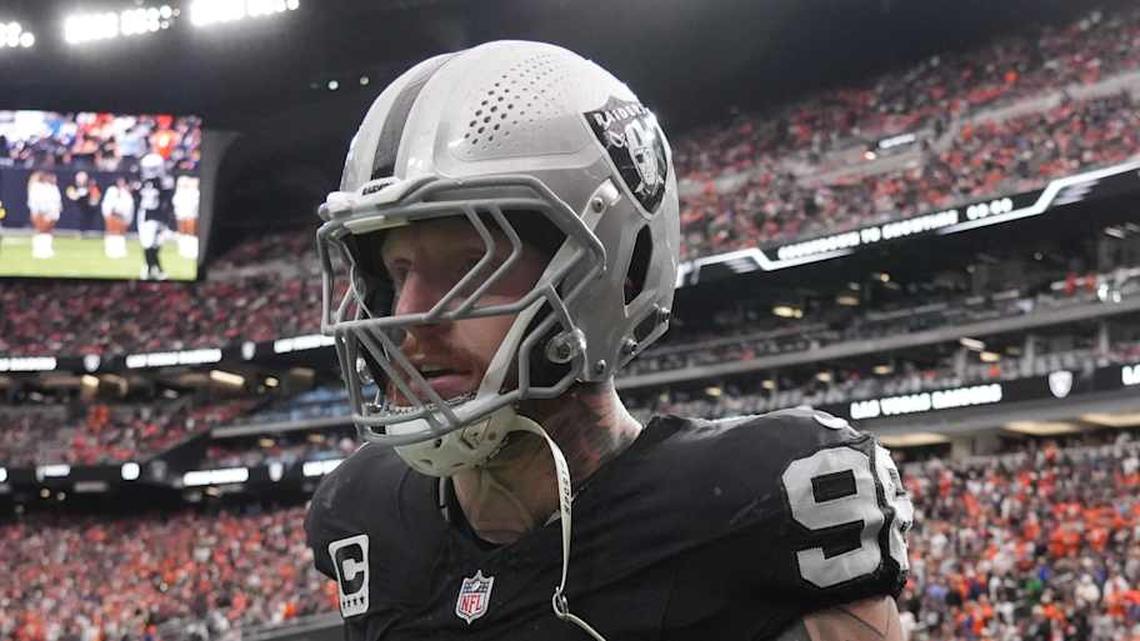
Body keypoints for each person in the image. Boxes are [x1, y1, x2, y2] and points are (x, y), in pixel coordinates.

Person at [305, 41, 913, 641]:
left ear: (609, 274)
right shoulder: (363, 511)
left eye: (471, 264)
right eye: (400, 273)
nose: (410, 315)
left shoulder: (764, 506)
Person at [135, 152, 174, 279]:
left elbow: (167, 200)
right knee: (149, 243)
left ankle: (150, 267)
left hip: (159, 215)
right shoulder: (143, 181)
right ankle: (155, 269)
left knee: (156, 244)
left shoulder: (163, 182)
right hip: (148, 215)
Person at [28, 171, 63, 259]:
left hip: (51, 212)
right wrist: (41, 213)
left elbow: (57, 201)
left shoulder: (53, 187)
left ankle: (47, 249)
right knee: (41, 231)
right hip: (41, 212)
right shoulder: (37, 187)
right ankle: (38, 250)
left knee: (48, 231)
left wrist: (56, 210)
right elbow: (35, 202)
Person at [101, 175, 135, 259]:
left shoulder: (126, 192)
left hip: (123, 216)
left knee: (121, 234)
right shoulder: (112, 190)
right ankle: (111, 251)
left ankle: (120, 250)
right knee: (113, 233)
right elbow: (108, 204)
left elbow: (129, 205)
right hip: (114, 215)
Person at [65, 170, 102, 237]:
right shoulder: (72, 186)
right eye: (80, 179)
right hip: (76, 209)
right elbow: (72, 196)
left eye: (83, 179)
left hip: (88, 209)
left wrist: (89, 192)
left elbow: (95, 199)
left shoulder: (92, 186)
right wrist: (79, 193)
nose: (81, 181)